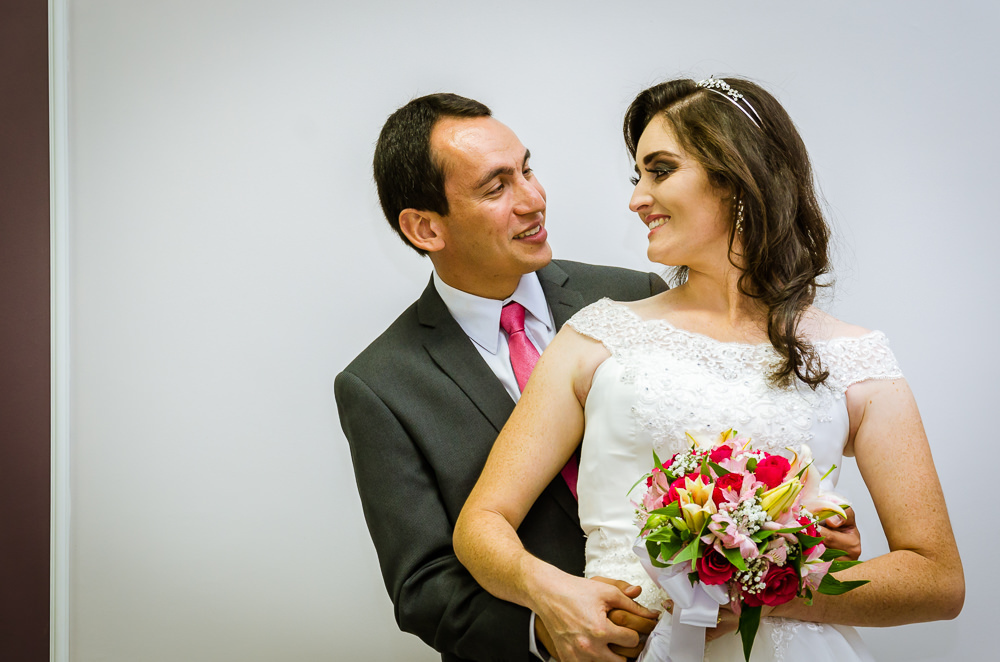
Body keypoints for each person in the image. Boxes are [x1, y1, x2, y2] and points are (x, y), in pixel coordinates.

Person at [453, 77, 964, 662]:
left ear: (737, 177)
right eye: (637, 176)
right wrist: (553, 595)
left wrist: (772, 585)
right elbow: (482, 522)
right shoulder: (596, 337)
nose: (637, 197)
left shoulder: (857, 358)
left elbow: (938, 581)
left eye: (660, 170)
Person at [335, 93, 672, 662]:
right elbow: (423, 586)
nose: (534, 200)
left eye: (528, 170)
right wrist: (546, 630)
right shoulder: (379, 386)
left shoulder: (636, 296)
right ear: (425, 228)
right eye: (497, 188)